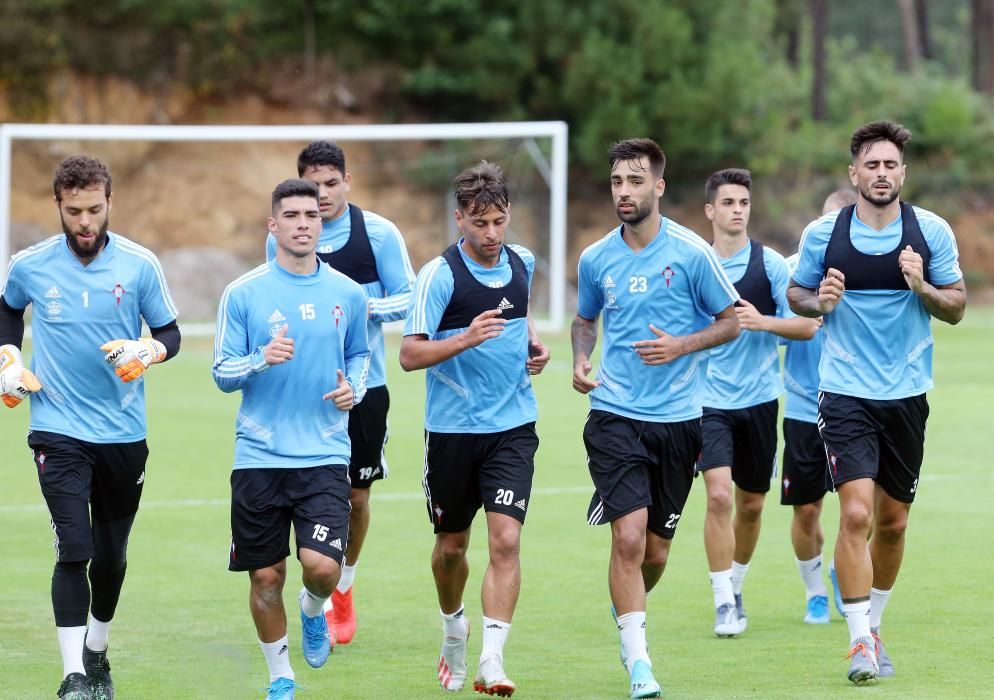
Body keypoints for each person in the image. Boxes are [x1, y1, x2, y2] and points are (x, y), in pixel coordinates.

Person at [788, 121, 966, 684]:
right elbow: (797, 293)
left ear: (903, 174)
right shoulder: (825, 233)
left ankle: (875, 624)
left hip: (908, 396)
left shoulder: (929, 231)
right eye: (871, 165)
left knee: (892, 522)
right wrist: (820, 300)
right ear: (854, 173)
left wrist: (923, 288)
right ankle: (859, 641)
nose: (881, 174)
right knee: (857, 512)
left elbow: (957, 307)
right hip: (843, 391)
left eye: (890, 165)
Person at [0, 155, 181, 700]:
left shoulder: (140, 265)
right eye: (74, 211)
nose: (85, 222)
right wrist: (8, 358)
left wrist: (148, 349)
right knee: (73, 547)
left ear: (110, 203)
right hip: (56, 427)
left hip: (124, 432)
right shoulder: (28, 265)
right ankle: (73, 675)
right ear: (57, 205)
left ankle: (97, 651)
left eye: (94, 210)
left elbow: (170, 332)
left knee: (111, 555)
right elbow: (7, 311)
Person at [572, 139, 740, 699]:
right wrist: (579, 358)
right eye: (618, 181)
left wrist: (682, 346)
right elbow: (584, 320)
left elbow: (730, 322)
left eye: (636, 181)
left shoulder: (693, 254)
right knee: (627, 539)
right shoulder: (596, 258)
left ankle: (628, 611)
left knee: (655, 553)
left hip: (680, 421)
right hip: (614, 414)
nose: (624, 191)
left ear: (659, 186)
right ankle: (639, 659)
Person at [214, 179, 370, 700]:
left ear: (321, 223)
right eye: (292, 215)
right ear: (272, 224)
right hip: (258, 455)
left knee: (322, 568)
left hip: (325, 451)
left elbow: (360, 355)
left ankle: (313, 608)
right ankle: (281, 676)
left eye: (312, 214)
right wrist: (261, 358)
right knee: (265, 578)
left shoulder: (347, 293)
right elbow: (222, 371)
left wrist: (355, 388)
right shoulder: (244, 293)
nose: (304, 223)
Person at [399, 161, 549, 697]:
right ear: (459, 218)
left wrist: (534, 346)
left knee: (505, 540)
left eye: (499, 222)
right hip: (453, 433)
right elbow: (410, 354)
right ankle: (452, 630)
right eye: (480, 223)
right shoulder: (438, 277)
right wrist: (465, 338)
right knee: (452, 548)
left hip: (513, 425)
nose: (491, 234)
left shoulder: (523, 262)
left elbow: (519, 318)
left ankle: (491, 659)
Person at [266, 141, 415, 644]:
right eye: (314, 185)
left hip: (364, 386)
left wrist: (359, 308)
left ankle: (342, 585)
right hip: (299, 390)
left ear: (348, 182)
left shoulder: (377, 234)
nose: (324, 195)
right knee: (297, 487)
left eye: (333, 184)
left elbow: (409, 297)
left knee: (356, 492)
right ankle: (309, 587)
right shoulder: (287, 234)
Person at [696, 169, 818, 638]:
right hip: (707, 401)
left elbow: (807, 326)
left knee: (750, 504)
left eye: (743, 202)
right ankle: (723, 600)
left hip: (762, 401)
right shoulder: (695, 264)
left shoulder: (771, 266)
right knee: (720, 495)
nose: (737, 210)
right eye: (728, 202)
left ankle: (737, 584)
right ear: (710, 210)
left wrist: (763, 322)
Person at [781, 188, 858, 625]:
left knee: (857, 508)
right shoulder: (794, 271)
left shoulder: (875, 265)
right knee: (807, 510)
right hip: (804, 409)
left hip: (856, 405)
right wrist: (807, 319)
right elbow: (771, 327)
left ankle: (841, 570)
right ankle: (814, 592)